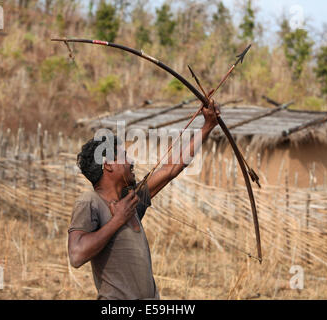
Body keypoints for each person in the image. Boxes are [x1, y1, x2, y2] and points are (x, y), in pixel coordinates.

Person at [67, 99, 220, 299]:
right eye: (124, 156)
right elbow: (77, 255)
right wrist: (117, 220)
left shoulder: (131, 201)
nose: (131, 161)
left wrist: (208, 125)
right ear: (109, 165)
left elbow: (172, 168)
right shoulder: (89, 201)